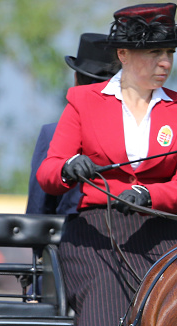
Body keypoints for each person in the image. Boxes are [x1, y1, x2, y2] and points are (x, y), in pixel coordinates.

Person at [36, 2, 177, 326]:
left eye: (170, 52)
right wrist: (71, 168)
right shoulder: (83, 101)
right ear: (124, 54)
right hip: (96, 232)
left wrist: (150, 195)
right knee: (106, 295)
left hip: (161, 230)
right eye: (155, 52)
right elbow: (49, 172)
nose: (165, 63)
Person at [26, 33, 121, 215]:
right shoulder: (146, 130)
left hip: (72, 237)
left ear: (76, 79)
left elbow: (38, 211)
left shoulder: (52, 133)